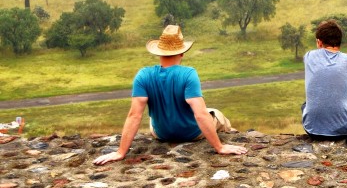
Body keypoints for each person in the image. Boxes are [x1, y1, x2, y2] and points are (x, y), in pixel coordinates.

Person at [93, 25, 247, 165]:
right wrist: (219, 147)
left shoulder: (143, 75)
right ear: (182, 52)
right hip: (192, 133)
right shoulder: (189, 74)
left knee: (152, 119)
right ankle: (230, 132)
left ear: (158, 52)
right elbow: (200, 114)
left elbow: (134, 116)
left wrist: (120, 152)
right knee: (216, 114)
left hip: (161, 134)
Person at [302, 19, 347, 139]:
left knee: (306, 104)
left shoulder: (309, 57)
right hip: (346, 131)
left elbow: (327, 72)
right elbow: (342, 74)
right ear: (340, 42)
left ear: (319, 42)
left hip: (312, 130)